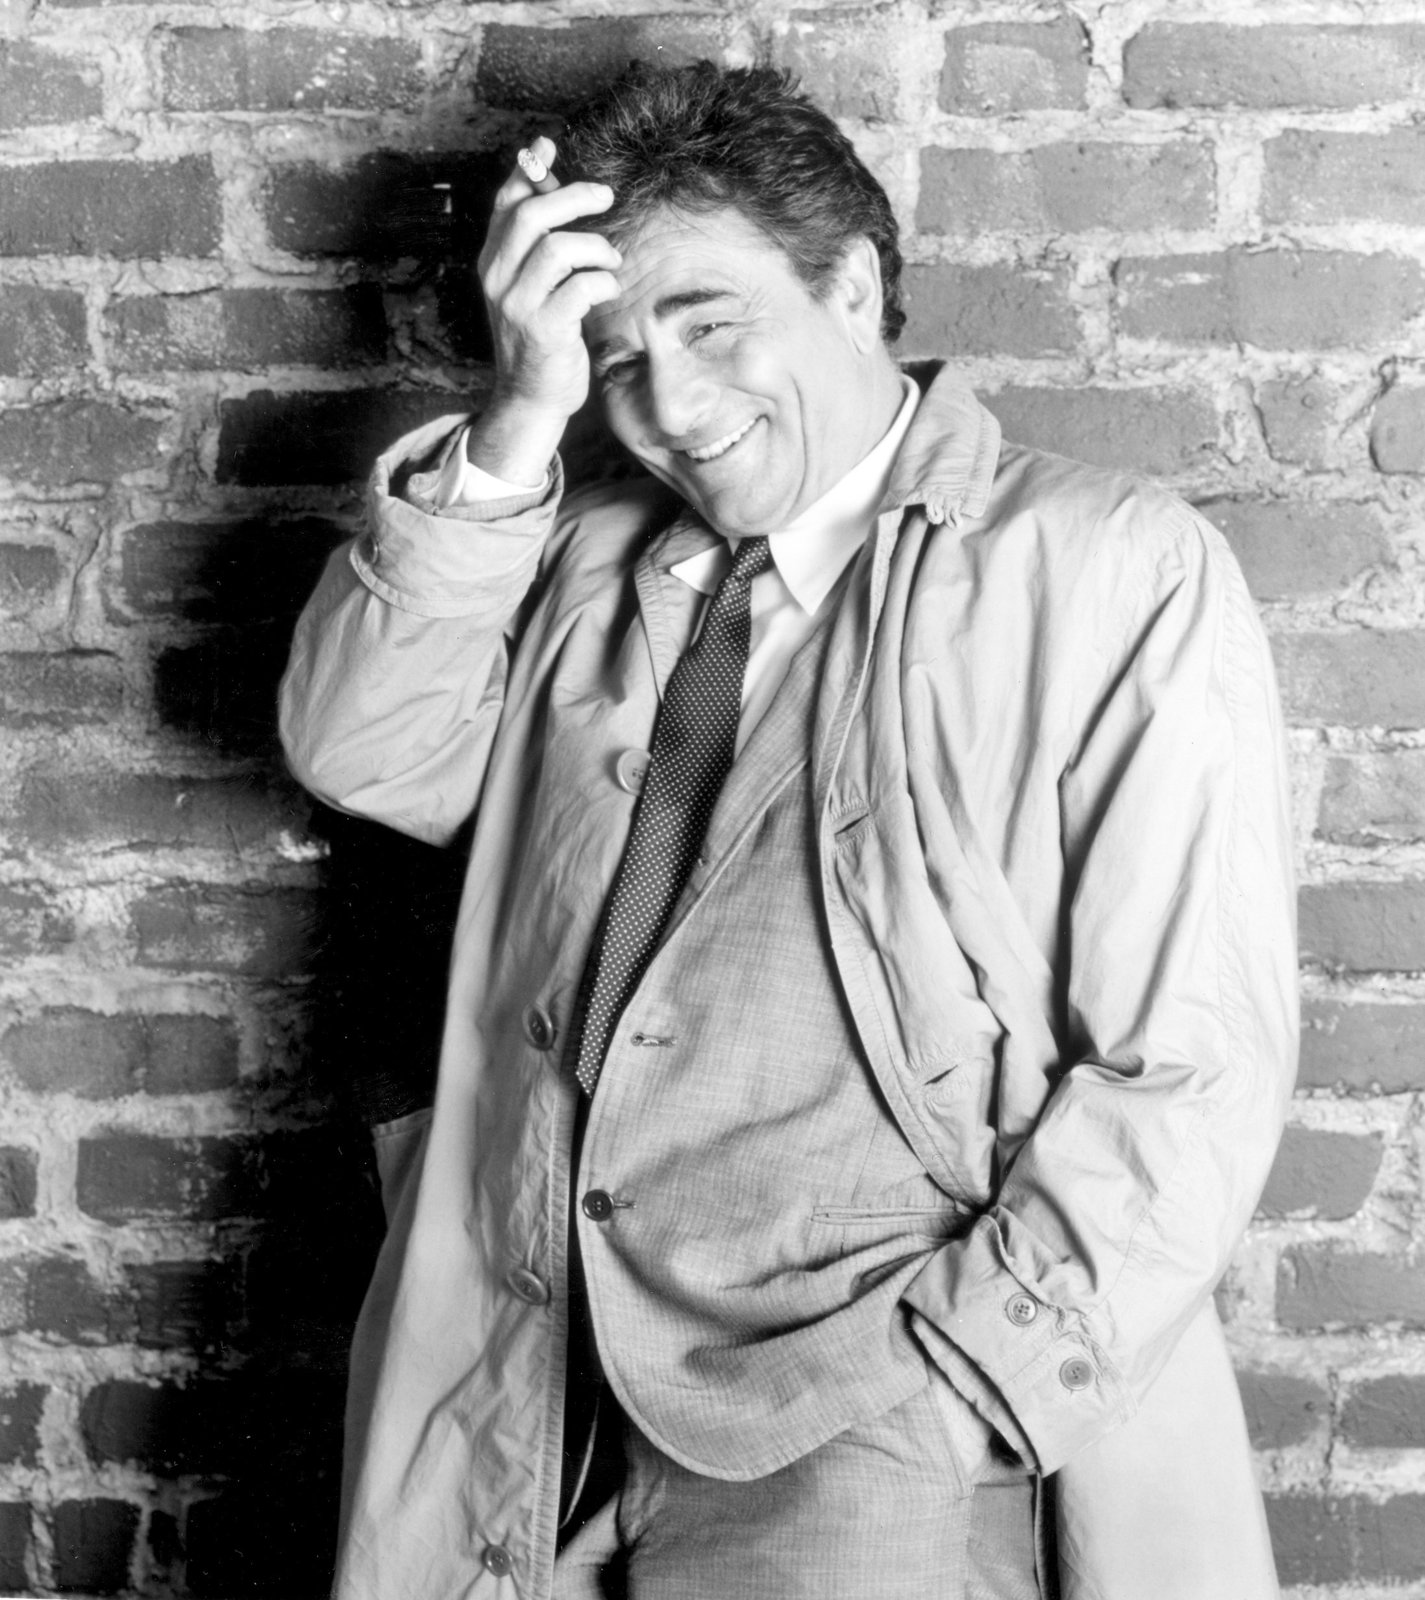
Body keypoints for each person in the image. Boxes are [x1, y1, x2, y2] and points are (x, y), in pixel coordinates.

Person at [280, 63, 1297, 1600]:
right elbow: (361, 748)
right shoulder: (578, 553)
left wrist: (959, 1388)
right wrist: (523, 415)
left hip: (872, 1415)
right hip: (533, 1388)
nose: (671, 408)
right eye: (618, 359)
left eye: (709, 326)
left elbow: (1190, 1062)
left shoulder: (1107, 565)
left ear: (852, 286)